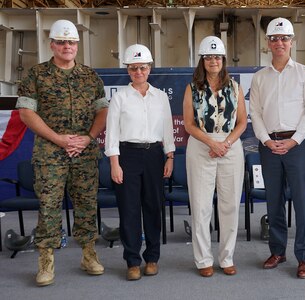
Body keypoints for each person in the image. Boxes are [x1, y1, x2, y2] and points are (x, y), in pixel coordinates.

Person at [16, 19, 108, 286]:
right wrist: (59, 139)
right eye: (62, 42)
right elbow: (25, 113)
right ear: (52, 45)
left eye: (72, 42)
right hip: (49, 153)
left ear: (77, 45)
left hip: (84, 152)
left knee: (87, 204)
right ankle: (46, 261)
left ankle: (89, 255)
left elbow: (103, 110)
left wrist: (88, 137)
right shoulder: (36, 75)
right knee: (48, 207)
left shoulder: (90, 76)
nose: (67, 46)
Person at [249, 17, 305, 279]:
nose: (279, 42)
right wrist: (266, 140)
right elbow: (255, 113)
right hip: (268, 145)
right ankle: (277, 250)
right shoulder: (259, 78)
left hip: (297, 144)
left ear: (292, 42)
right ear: (267, 43)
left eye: (284, 38)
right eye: (274, 38)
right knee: (274, 200)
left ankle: (304, 257)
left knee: (302, 202)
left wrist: (293, 140)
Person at [105, 44, 175, 281]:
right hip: (127, 156)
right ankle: (133, 261)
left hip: (155, 155)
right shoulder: (119, 98)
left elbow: (168, 129)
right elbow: (112, 133)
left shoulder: (161, 97)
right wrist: (115, 163)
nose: (138, 72)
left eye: (143, 67)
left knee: (154, 208)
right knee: (129, 210)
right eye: (133, 68)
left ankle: (152, 258)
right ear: (128, 70)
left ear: (150, 68)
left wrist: (170, 156)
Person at [183, 36, 247, 277]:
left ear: (223, 60)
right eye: (208, 57)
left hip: (230, 147)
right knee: (201, 207)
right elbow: (188, 124)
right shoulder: (192, 88)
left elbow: (242, 122)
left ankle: (227, 257)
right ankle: (203, 260)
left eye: (217, 57)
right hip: (201, 146)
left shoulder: (235, 87)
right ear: (202, 60)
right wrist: (211, 142)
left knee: (229, 205)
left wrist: (225, 143)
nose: (213, 61)